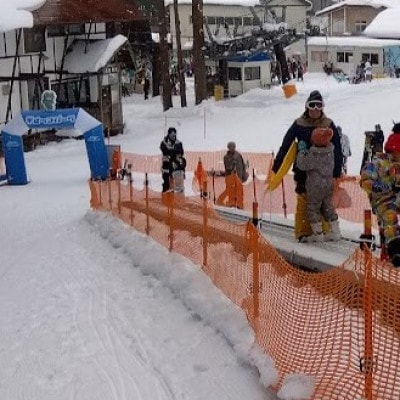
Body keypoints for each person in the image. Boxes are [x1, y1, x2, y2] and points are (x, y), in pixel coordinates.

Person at [272, 90, 343, 242]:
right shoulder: (299, 124)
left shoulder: (328, 124)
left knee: (324, 203)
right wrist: (276, 167)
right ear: (307, 107)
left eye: (319, 106)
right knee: (306, 202)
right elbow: (286, 145)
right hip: (303, 172)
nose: (316, 109)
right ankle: (304, 232)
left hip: (324, 172)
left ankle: (322, 231)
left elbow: (337, 150)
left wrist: (337, 172)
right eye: (312, 105)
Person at [360, 124, 400, 266]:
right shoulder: (379, 163)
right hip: (383, 200)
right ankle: (395, 248)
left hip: (397, 197)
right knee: (390, 216)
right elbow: (364, 180)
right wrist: (376, 186)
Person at [296, 127, 341, 242]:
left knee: (313, 208)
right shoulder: (330, 153)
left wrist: (302, 152)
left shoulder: (314, 155)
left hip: (315, 187)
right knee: (327, 207)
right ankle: (335, 232)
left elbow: (302, 165)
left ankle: (318, 233)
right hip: (328, 185)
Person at [160, 127, 186, 193]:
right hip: (167, 166)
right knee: (167, 184)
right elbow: (165, 151)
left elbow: (180, 153)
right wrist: (172, 154)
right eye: (171, 134)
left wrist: (176, 160)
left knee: (178, 182)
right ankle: (166, 195)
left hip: (176, 167)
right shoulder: (164, 142)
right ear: (168, 134)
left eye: (174, 134)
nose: (173, 136)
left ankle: (179, 193)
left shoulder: (178, 143)